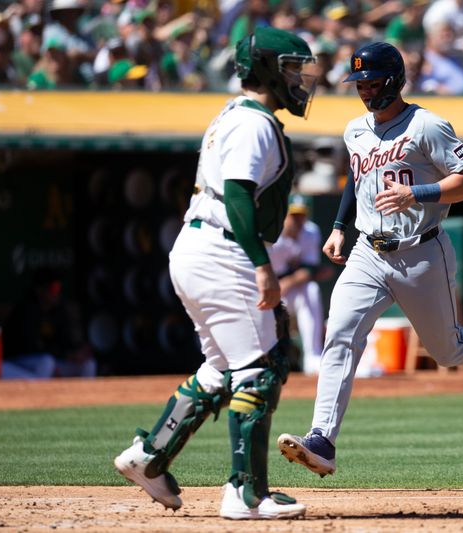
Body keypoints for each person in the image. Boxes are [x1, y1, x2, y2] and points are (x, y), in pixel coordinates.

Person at [276, 42, 463, 477]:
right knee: (340, 335)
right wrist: (340, 227)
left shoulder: (427, 126)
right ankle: (322, 439)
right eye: (359, 83)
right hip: (368, 250)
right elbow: (356, 177)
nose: (364, 90)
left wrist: (416, 193)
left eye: (371, 81)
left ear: (394, 80)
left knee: (448, 349)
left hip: (422, 250)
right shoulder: (355, 130)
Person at [114, 26, 318, 519]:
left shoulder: (234, 113)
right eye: (291, 68)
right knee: (260, 370)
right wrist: (262, 265)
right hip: (225, 250)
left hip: (198, 246)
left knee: (223, 367)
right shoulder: (254, 124)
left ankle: (149, 456)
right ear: (268, 68)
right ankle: (246, 493)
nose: (299, 79)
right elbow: (239, 194)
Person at [1, 268, 96, 379]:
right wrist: (65, 355)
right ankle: (41, 396)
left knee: (88, 364)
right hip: (17, 363)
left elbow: (66, 341)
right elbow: (30, 347)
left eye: (59, 288)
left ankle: (85, 396)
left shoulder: (59, 310)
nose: (57, 293)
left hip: (50, 360)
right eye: (54, 288)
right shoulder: (26, 310)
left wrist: (77, 351)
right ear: (39, 289)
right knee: (46, 362)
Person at [268, 194, 326, 375]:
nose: (297, 220)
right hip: (266, 291)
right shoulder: (272, 235)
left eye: (301, 215)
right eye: (293, 215)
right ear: (284, 215)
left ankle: (313, 356)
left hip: (288, 290)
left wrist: (289, 281)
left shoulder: (310, 232)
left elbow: (309, 270)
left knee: (311, 289)